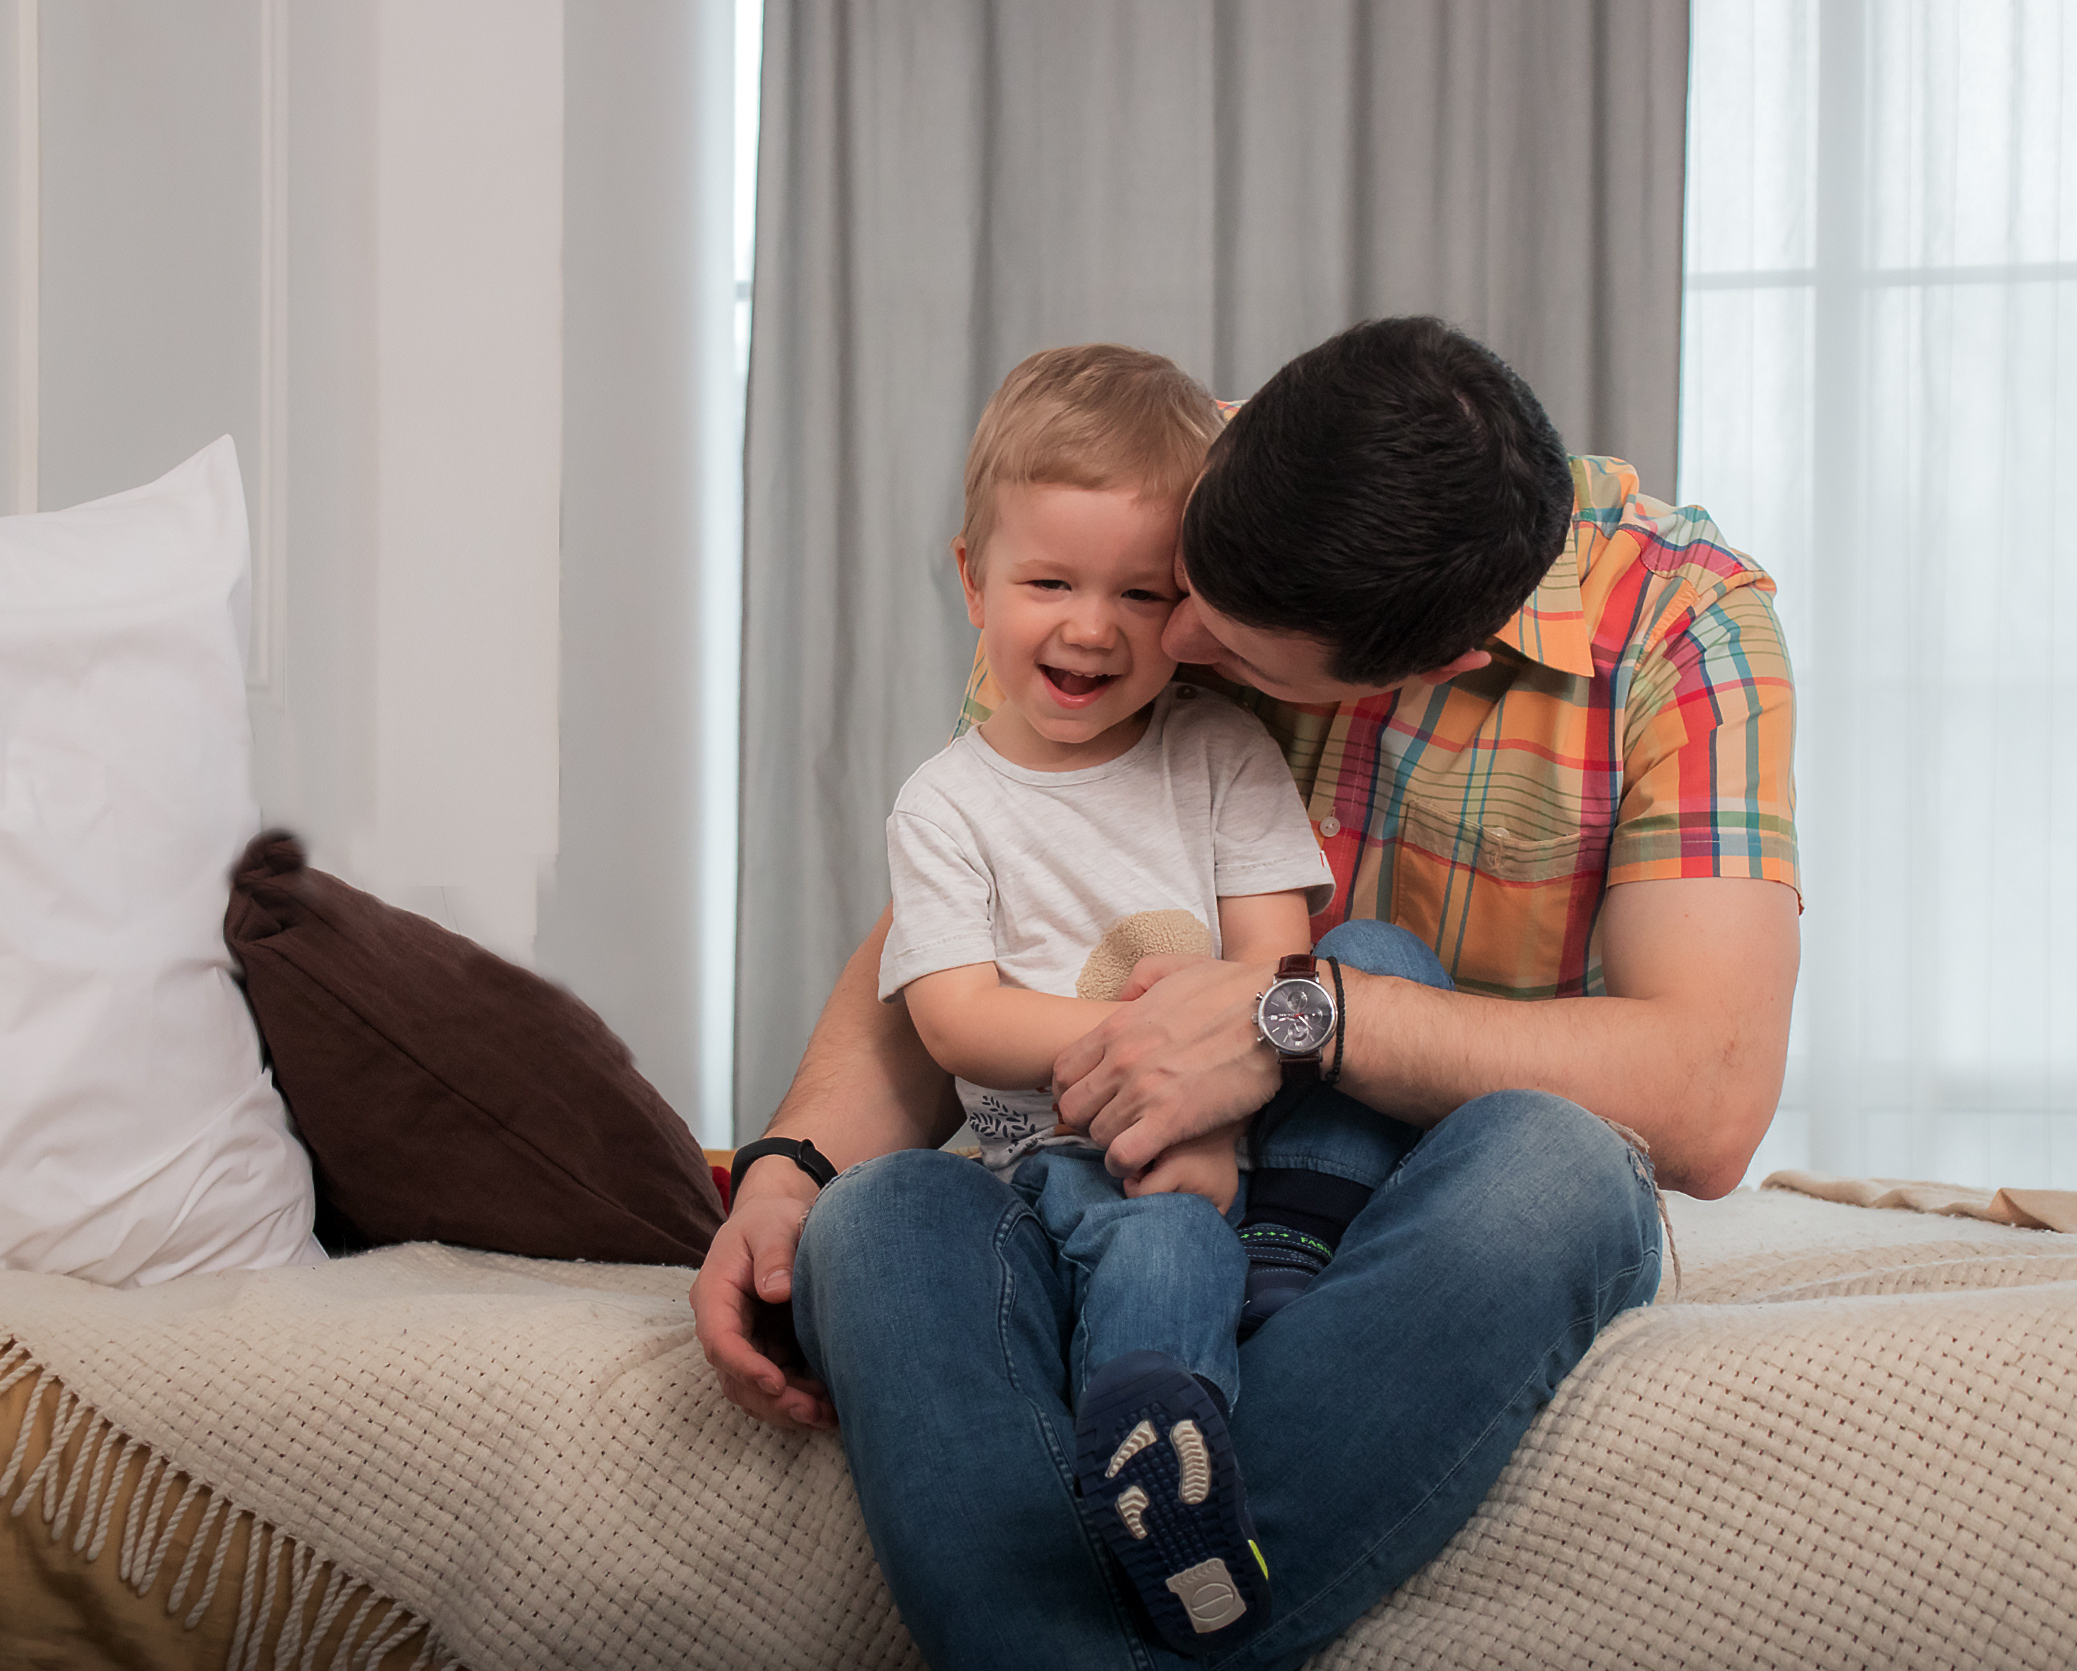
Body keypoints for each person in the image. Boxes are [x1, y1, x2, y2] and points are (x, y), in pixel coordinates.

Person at [693, 316, 1801, 1670]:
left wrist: (1300, 1016)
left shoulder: (1687, 628)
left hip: (1390, 1206)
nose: (1158, 634)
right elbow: (974, 916)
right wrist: (790, 1166)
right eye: (1178, 590)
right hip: (1117, 1161)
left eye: (1224, 645)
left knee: (1557, 1170)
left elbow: (1709, 1099)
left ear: (1430, 670)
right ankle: (1159, 1490)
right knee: (880, 1218)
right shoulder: (1143, 499)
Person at [875, 343, 1353, 1653]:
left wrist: (1210, 1085)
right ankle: (1137, 1465)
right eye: (1049, 583)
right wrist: (1158, 1044)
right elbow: (958, 1018)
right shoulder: (945, 803)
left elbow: (1276, 970)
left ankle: (1167, 1457)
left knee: (1176, 1234)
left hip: (1198, 1144)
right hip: (1033, 1163)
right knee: (1112, 1235)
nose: (1092, 627)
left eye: (1142, 594)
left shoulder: (1220, 755)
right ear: (972, 580)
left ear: (1191, 606)